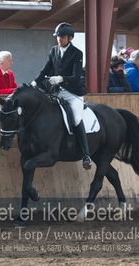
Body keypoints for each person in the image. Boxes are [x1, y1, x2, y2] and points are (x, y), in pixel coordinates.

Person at [31, 22, 91, 169]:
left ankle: (86, 155)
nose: (59, 39)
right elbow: (45, 69)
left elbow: (76, 76)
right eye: (58, 36)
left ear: (70, 38)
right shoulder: (53, 51)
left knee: (76, 119)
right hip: (57, 92)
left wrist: (62, 78)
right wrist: (35, 82)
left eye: (62, 36)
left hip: (73, 93)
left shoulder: (77, 53)